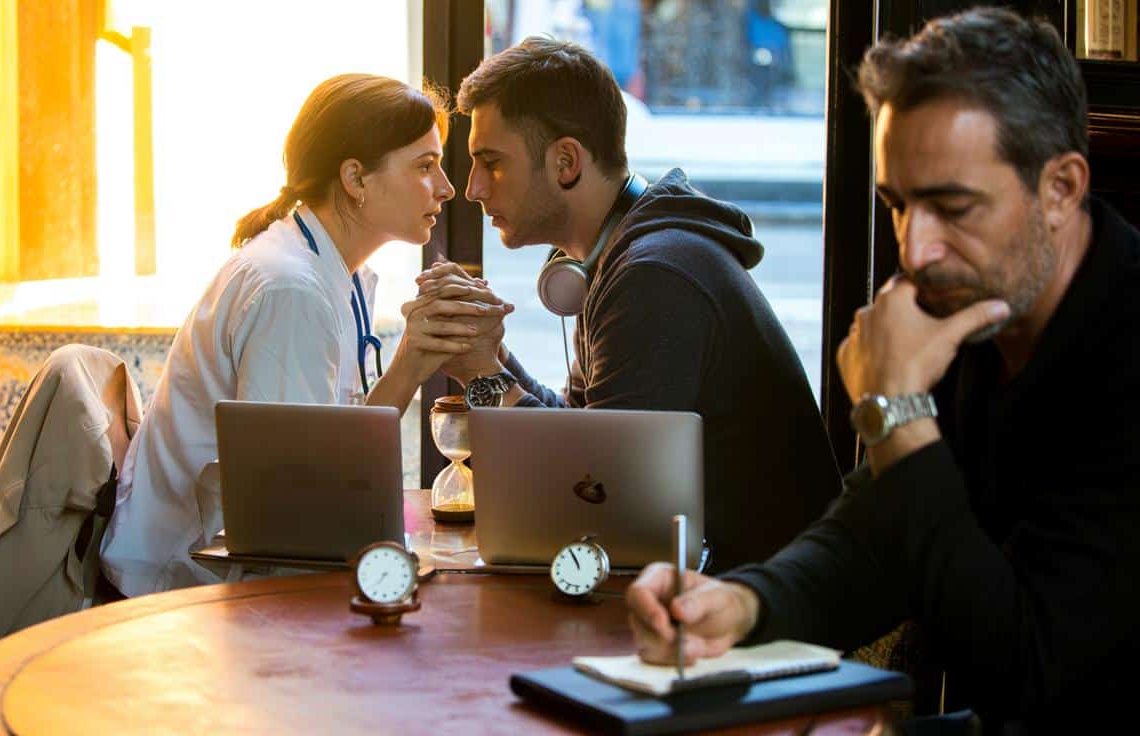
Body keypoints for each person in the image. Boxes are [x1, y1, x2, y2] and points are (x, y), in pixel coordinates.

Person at [626, 8, 1140, 730]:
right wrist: (747, 604)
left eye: (952, 207)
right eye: (897, 206)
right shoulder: (977, 303)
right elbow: (881, 535)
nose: (916, 249)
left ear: (1060, 188)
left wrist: (895, 412)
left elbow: (1027, 668)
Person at [413, 37, 841, 572]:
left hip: (745, 610)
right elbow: (581, 431)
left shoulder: (654, 276)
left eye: (491, 163)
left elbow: (594, 491)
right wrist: (488, 358)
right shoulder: (620, 255)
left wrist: (481, 375)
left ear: (566, 161)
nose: (473, 188)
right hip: (700, 583)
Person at [101, 74, 510, 597]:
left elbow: (328, 455)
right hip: (183, 592)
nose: (448, 188)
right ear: (355, 179)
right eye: (425, 167)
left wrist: (413, 362)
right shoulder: (290, 291)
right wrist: (411, 363)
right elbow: (294, 511)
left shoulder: (336, 273)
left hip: (246, 564)